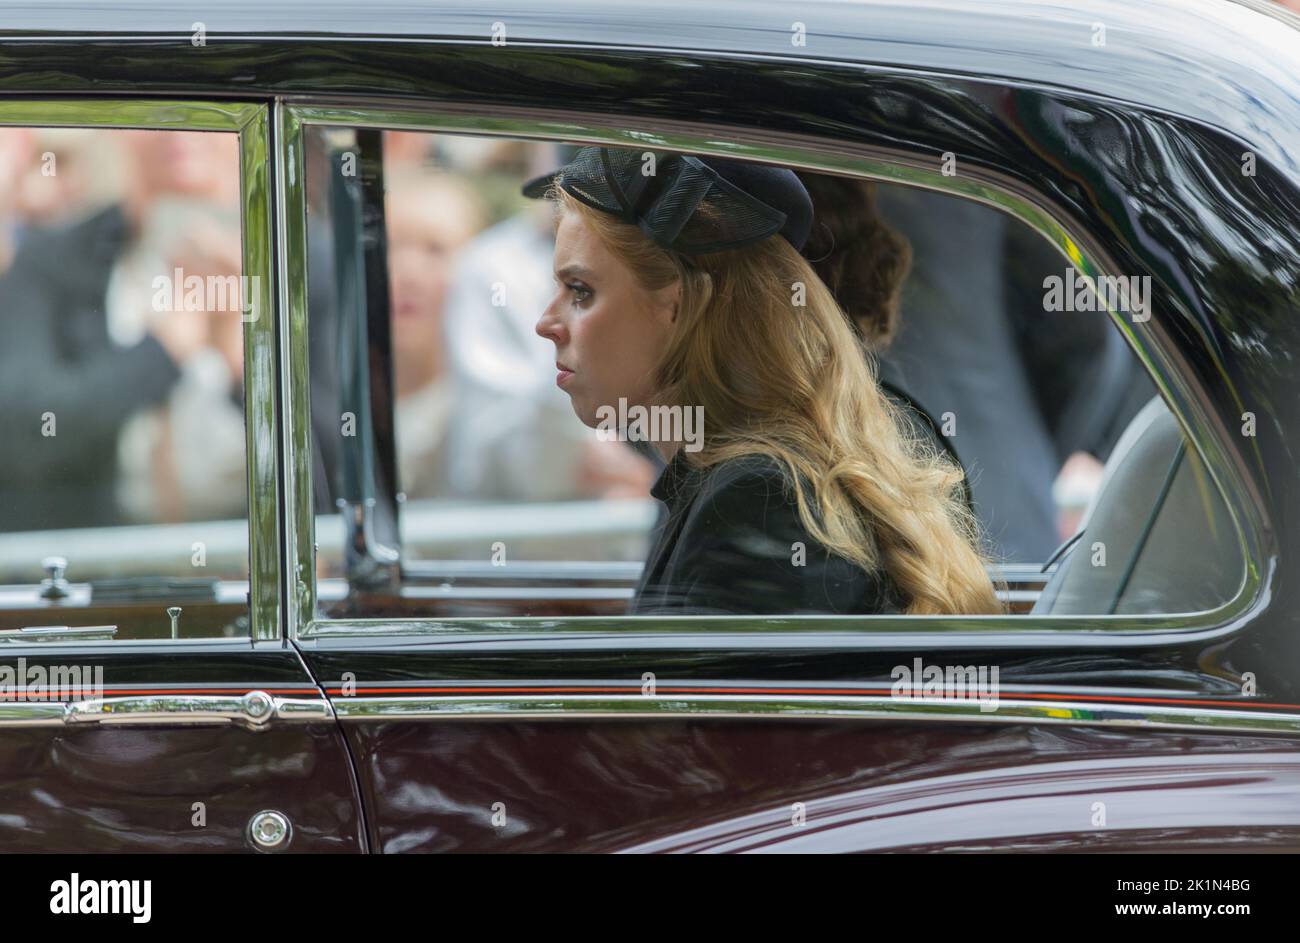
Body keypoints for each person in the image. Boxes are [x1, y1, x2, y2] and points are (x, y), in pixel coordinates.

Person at [529, 147, 1002, 616]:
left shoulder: (758, 496)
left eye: (580, 291)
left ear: (677, 305)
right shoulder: (752, 477)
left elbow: (705, 691)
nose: (546, 323)